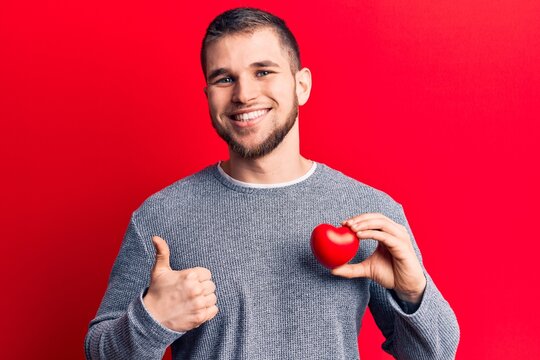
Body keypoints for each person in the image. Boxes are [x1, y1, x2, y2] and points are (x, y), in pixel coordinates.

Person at [85, 7, 459, 359]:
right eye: (224, 78)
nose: (244, 94)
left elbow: (435, 354)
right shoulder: (160, 217)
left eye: (263, 71)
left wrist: (413, 293)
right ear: (208, 96)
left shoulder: (368, 216)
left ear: (301, 86)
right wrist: (152, 321)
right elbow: (98, 350)